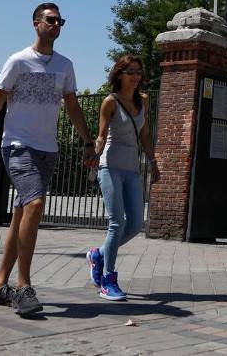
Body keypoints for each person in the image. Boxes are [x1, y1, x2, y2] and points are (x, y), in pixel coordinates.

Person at [0, 3, 97, 316]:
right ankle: (23, 286)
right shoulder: (18, 61)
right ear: (36, 23)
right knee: (35, 204)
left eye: (60, 21)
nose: (56, 25)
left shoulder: (65, 65)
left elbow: (72, 107)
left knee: (21, 215)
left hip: (48, 150)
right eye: (50, 20)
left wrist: (87, 142)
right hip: (17, 146)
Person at [86, 55, 160, 301]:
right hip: (110, 166)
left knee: (137, 223)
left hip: (132, 169)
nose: (136, 76)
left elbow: (145, 135)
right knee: (116, 222)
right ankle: (108, 280)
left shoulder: (144, 101)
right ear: (119, 74)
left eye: (139, 72)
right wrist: (94, 154)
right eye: (131, 72)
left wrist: (153, 162)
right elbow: (101, 136)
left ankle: (98, 255)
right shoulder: (110, 102)